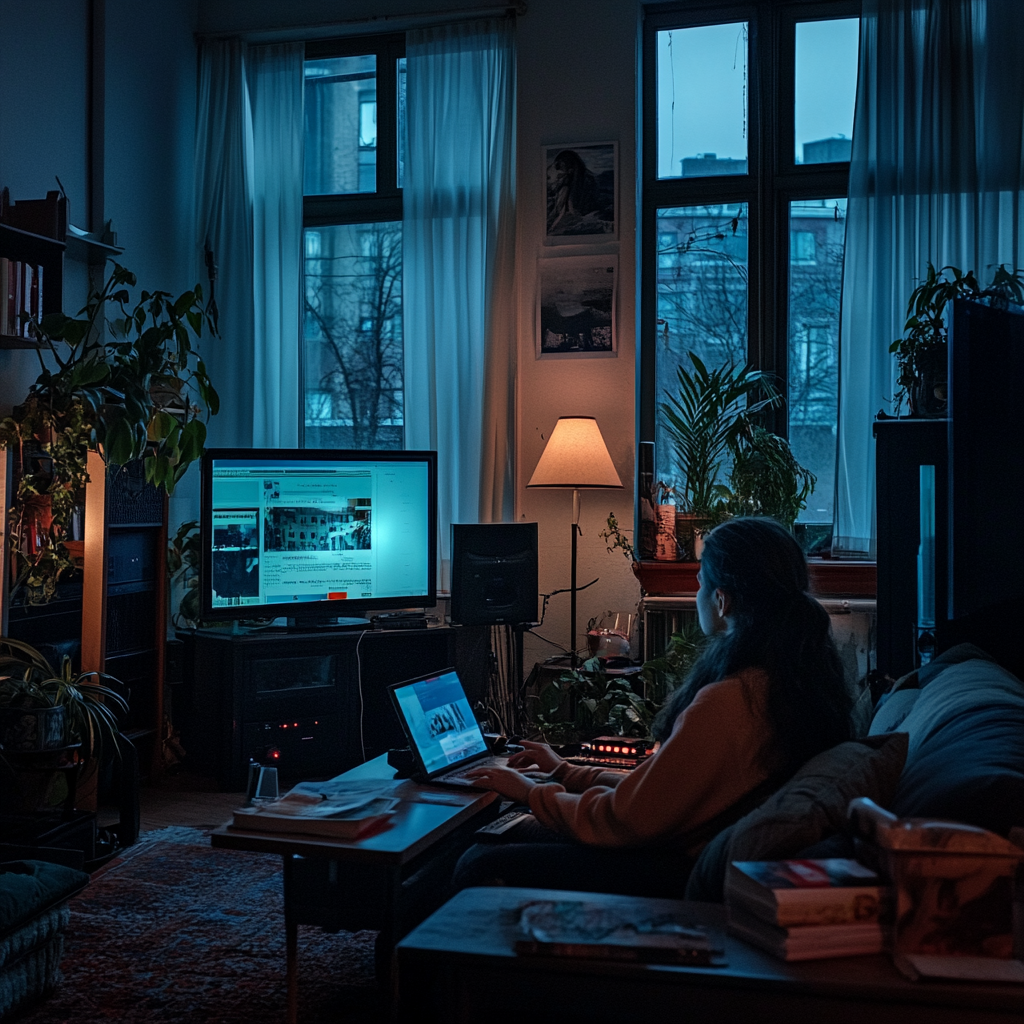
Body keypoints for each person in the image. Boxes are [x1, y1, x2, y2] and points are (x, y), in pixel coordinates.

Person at [454, 516, 854, 895]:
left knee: (478, 859)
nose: (696, 595)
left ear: (721, 600)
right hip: (675, 850)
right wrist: (563, 771)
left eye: (699, 583)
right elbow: (662, 792)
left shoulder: (731, 702)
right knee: (502, 838)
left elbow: (625, 819)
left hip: (669, 868)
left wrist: (528, 793)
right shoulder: (790, 683)